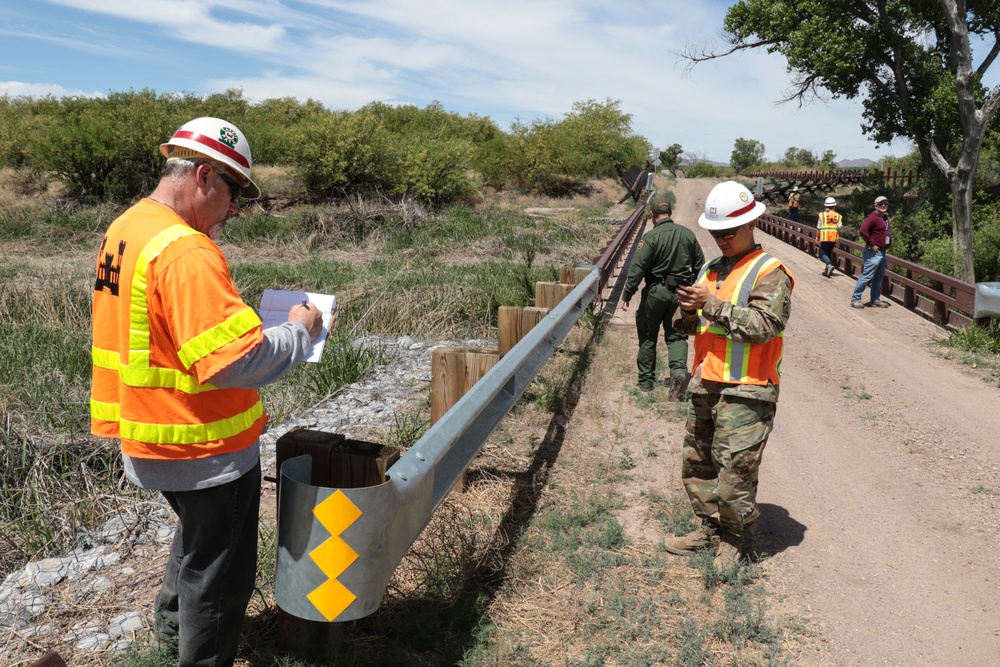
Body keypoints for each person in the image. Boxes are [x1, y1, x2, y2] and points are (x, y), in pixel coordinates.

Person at [90, 117, 324, 666]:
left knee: (197, 545)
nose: (235, 210)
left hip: (151, 433)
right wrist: (298, 330)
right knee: (219, 577)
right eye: (235, 193)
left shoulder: (127, 228)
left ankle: (168, 640)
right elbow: (237, 362)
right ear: (203, 177)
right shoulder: (186, 251)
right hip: (203, 445)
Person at [666, 181, 794, 568]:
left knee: (735, 471)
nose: (721, 238)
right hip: (707, 382)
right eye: (715, 232)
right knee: (699, 463)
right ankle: (709, 529)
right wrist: (689, 310)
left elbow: (764, 326)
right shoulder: (710, 269)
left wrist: (712, 305)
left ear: (752, 223)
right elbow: (687, 328)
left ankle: (734, 541)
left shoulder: (770, 271)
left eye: (728, 232)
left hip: (748, 390)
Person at [622, 192, 705, 398]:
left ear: (652, 215)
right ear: (670, 212)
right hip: (681, 293)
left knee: (648, 336)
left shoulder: (650, 238)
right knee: (677, 335)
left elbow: (637, 268)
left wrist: (627, 294)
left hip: (656, 293)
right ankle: (678, 373)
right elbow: (701, 266)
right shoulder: (687, 235)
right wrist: (691, 287)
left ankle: (646, 383)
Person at [850, 195, 892, 308]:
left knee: (879, 277)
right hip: (873, 253)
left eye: (885, 204)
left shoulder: (884, 217)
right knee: (867, 276)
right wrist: (872, 244)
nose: (883, 206)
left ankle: (875, 299)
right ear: (875, 205)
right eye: (880, 204)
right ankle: (855, 299)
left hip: (882, 252)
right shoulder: (873, 217)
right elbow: (863, 230)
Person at [817, 196, 843, 277]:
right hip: (833, 237)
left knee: (823, 253)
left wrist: (817, 237)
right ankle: (827, 271)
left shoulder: (822, 215)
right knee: (829, 253)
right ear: (834, 206)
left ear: (825, 206)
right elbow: (840, 226)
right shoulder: (838, 216)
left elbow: (819, 227)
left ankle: (828, 265)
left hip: (824, 236)